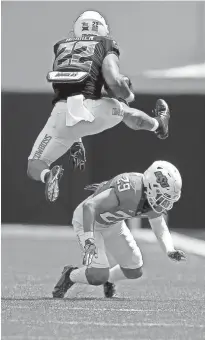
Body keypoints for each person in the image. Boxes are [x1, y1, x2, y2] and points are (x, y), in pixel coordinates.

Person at [27, 10, 170, 203]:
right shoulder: (105, 43)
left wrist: (75, 139)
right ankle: (158, 124)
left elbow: (72, 91)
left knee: (35, 164)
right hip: (93, 110)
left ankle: (48, 175)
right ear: (101, 27)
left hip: (60, 116)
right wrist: (127, 95)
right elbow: (114, 79)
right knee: (124, 110)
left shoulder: (60, 46)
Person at [52, 160, 186, 299]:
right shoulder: (130, 189)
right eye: (162, 197)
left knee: (134, 269)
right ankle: (70, 275)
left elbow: (160, 227)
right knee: (98, 274)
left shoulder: (150, 200)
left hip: (112, 224)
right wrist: (89, 238)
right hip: (89, 222)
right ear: (151, 186)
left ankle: (109, 280)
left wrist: (169, 249)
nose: (163, 203)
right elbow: (89, 206)